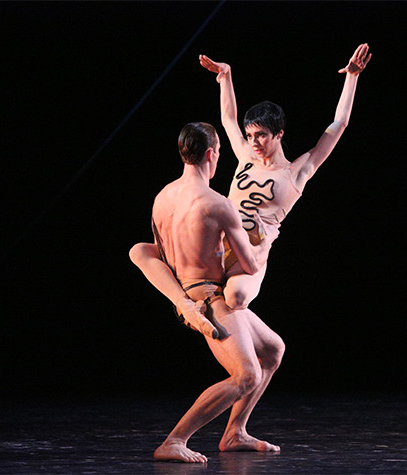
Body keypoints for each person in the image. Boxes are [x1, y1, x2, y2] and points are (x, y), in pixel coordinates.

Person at [131, 43, 371, 314]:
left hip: (251, 251)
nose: (253, 142)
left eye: (261, 135)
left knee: (237, 296)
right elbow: (228, 119)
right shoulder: (246, 157)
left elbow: (339, 124)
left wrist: (352, 77)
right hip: (217, 240)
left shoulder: (297, 172)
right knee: (143, 251)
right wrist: (225, 76)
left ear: (279, 134)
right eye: (250, 135)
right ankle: (186, 304)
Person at [129, 122, 284, 463]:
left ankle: (235, 433)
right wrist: (266, 242)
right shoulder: (218, 204)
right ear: (211, 154)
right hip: (210, 301)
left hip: (188, 295)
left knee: (273, 349)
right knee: (246, 375)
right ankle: (174, 440)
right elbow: (249, 265)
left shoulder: (162, 198)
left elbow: (163, 253)